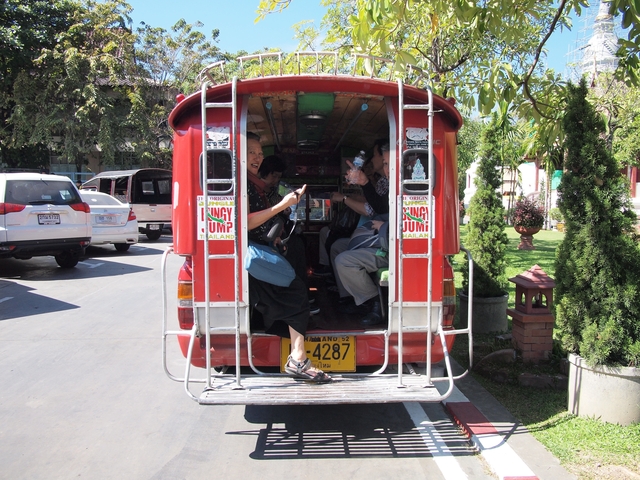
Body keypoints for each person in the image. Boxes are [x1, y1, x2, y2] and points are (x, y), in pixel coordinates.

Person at [245, 133, 330, 382]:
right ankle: (297, 359)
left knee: (295, 291)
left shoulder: (253, 184)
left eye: (260, 153)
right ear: (239, 153)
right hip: (254, 257)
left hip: (264, 250)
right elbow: (246, 222)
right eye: (252, 152)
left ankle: (298, 357)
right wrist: (284, 204)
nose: (258, 157)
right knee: (295, 293)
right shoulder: (242, 185)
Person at [314, 138, 389, 277]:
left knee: (339, 250)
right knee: (331, 237)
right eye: (385, 163)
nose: (372, 160)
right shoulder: (383, 181)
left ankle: (363, 298)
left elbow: (371, 209)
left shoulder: (391, 182)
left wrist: (344, 198)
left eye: (375, 155)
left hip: (381, 238)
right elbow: (378, 205)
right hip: (374, 233)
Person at [333, 144, 391, 325]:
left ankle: (374, 304)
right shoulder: (386, 181)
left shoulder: (407, 188)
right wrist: (364, 184)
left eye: (390, 163)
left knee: (344, 260)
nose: (387, 167)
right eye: (386, 163)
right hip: (379, 237)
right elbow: (379, 206)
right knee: (338, 247)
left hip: (390, 246)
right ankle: (351, 297)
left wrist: (384, 225)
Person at [258, 154, 319, 315]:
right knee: (294, 251)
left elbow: (282, 207)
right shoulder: (258, 191)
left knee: (299, 244)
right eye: (274, 176)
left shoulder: (271, 191)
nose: (276, 180)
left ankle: (302, 296)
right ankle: (297, 302)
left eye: (278, 177)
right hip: (265, 239)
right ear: (264, 172)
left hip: (277, 232)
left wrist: (285, 209)